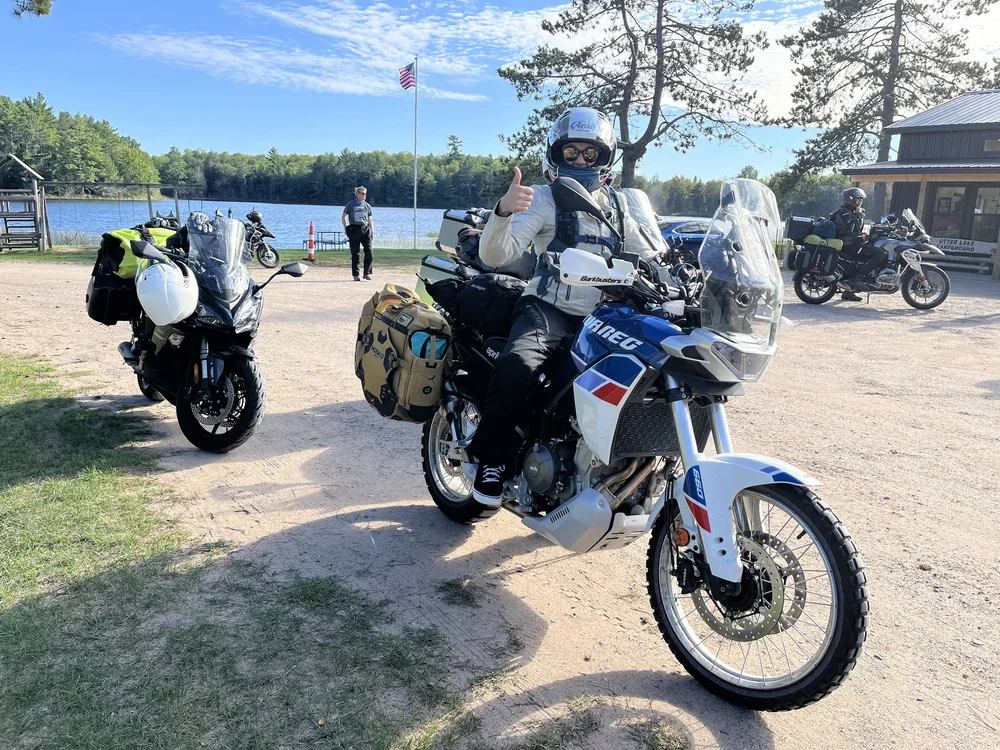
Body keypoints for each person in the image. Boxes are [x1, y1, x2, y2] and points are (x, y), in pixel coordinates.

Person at [468, 106, 657, 507]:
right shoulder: (542, 198)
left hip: (604, 316)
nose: (581, 161)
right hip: (548, 309)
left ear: (605, 158)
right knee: (518, 365)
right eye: (572, 152)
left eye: (591, 153)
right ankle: (491, 460)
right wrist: (503, 211)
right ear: (556, 154)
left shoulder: (621, 206)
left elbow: (648, 254)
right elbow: (495, 254)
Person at [829, 187, 886, 301]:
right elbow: (852, 228)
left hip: (849, 243)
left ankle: (849, 292)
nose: (861, 201)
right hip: (849, 245)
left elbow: (853, 230)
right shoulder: (845, 213)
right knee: (880, 253)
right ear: (851, 199)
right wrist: (860, 215)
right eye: (859, 199)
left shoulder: (847, 212)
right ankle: (857, 279)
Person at [342, 186, 375, 281]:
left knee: (369, 251)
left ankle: (366, 273)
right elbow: (343, 216)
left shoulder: (367, 206)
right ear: (357, 194)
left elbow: (370, 219)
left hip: (365, 229)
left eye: (365, 194)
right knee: (355, 253)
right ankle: (356, 274)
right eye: (362, 194)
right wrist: (345, 228)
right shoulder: (351, 204)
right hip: (354, 229)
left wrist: (372, 231)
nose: (364, 196)